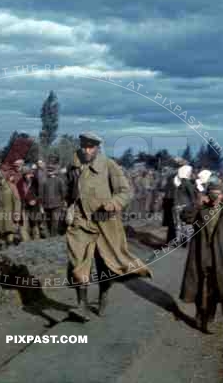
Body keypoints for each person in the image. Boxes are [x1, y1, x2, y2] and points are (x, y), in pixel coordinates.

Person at [65, 132, 153, 321]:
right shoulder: (73, 167)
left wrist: (113, 203)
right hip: (81, 223)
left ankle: (104, 295)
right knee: (78, 263)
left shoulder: (109, 165)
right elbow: (69, 192)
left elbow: (126, 191)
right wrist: (69, 210)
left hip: (106, 222)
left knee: (105, 263)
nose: (86, 150)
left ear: (97, 148)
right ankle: (82, 306)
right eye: (84, 146)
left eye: (91, 147)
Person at [179, 181, 223, 333]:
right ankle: (200, 313)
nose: (215, 196)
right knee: (199, 284)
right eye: (212, 193)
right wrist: (197, 203)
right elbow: (185, 216)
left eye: (218, 193)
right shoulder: (199, 210)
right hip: (199, 255)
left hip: (219, 258)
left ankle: (210, 317)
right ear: (207, 195)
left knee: (215, 288)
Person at [41, 163, 67, 237]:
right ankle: (50, 236)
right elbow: (42, 194)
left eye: (51, 170)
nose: (49, 172)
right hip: (46, 205)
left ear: (54, 171)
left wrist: (62, 201)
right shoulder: (44, 181)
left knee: (55, 221)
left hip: (57, 205)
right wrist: (41, 205)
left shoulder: (59, 180)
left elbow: (63, 193)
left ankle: (53, 236)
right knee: (49, 222)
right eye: (48, 170)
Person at [17, 166, 43, 241]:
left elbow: (39, 194)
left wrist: (35, 200)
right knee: (24, 225)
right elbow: (20, 195)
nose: (27, 176)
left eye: (28, 174)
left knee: (35, 224)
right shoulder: (19, 183)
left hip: (35, 206)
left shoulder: (35, 181)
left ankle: (37, 239)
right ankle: (26, 241)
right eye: (25, 174)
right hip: (24, 206)